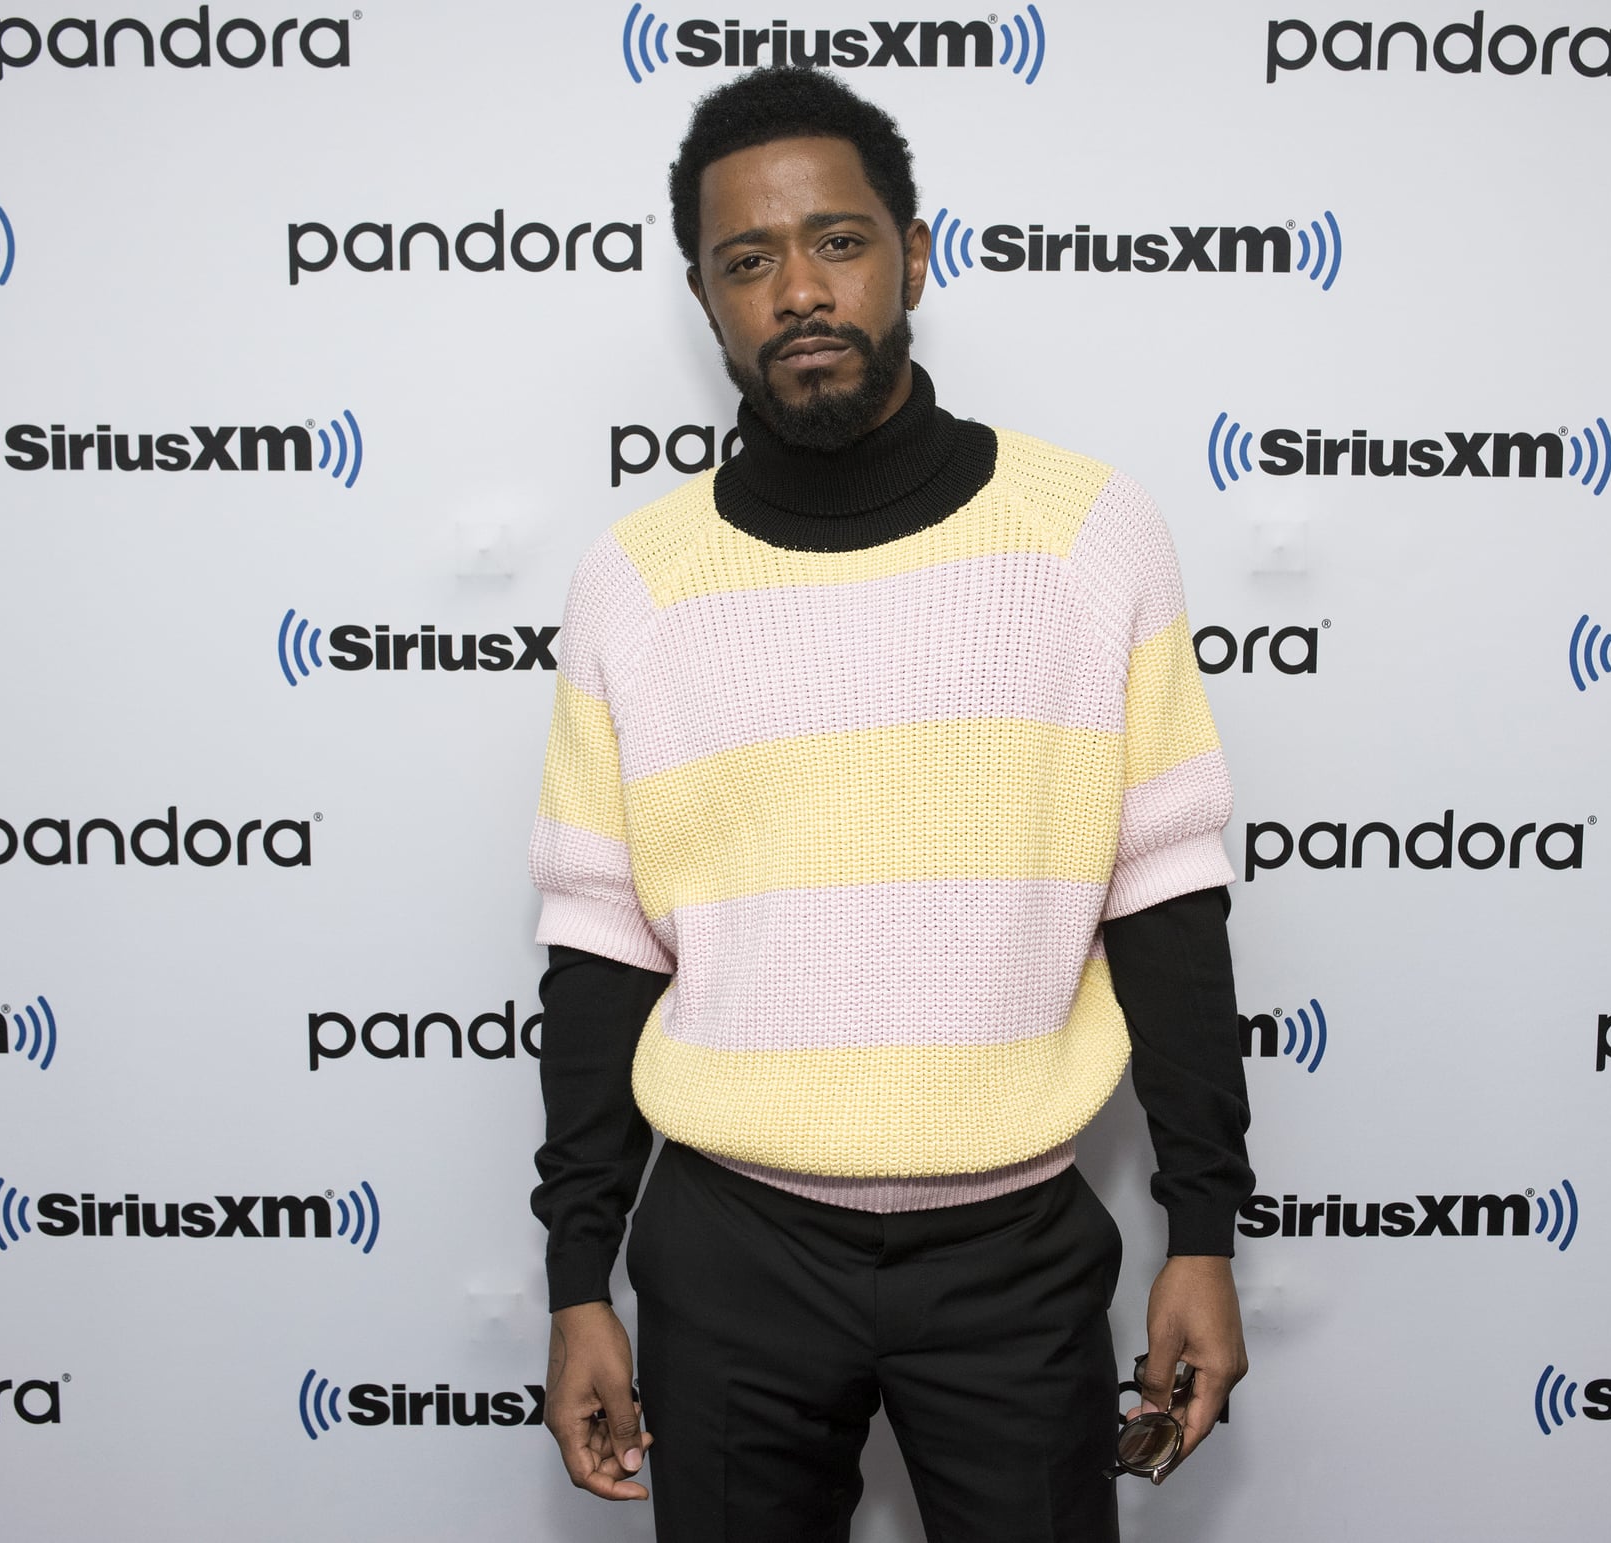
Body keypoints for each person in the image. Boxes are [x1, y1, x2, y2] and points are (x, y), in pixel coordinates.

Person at [527, 65, 1253, 1543]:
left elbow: (1168, 896)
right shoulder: (636, 582)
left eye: (838, 242)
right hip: (727, 1251)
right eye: (750, 260)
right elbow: (600, 946)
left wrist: (1204, 1234)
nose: (799, 288)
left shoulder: (1089, 534)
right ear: (706, 298)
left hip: (1015, 1252)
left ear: (914, 256)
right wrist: (572, 1281)